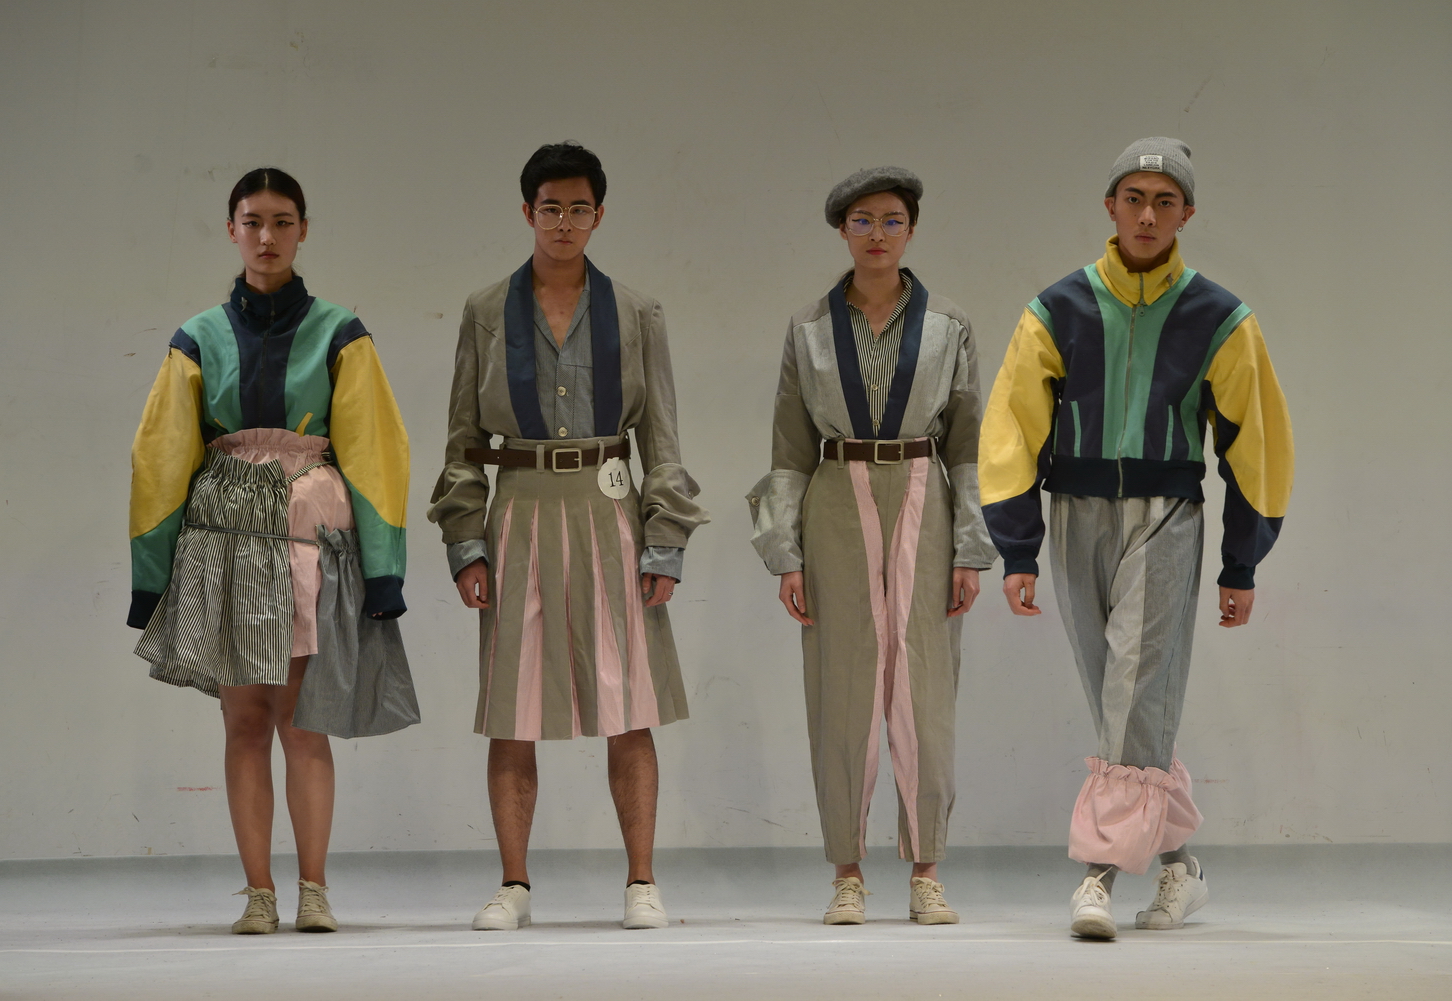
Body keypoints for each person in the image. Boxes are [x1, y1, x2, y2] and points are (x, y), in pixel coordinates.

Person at [979, 138, 1294, 939]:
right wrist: (1016, 547)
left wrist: (1241, 562)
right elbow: (1012, 426)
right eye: (1134, 198)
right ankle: (1181, 866)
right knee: (1122, 699)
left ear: (1187, 213)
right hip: (1073, 515)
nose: (1147, 214)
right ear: (1110, 207)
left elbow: (1257, 446)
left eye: (1164, 200)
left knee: (1131, 693)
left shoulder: (1220, 317)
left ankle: (1098, 873)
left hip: (1166, 515)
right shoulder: (1057, 309)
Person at [129, 167, 417, 935]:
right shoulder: (197, 337)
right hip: (224, 544)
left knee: (302, 719)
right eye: (252, 221)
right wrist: (151, 577)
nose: (266, 236)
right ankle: (259, 892)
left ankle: (313, 889)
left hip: (307, 539)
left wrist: (384, 569)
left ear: (303, 230)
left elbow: (376, 451)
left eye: (282, 221)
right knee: (245, 722)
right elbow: (161, 456)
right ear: (232, 229)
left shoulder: (340, 332)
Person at [428, 143, 708, 931]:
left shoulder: (637, 312)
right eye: (550, 207)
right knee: (512, 708)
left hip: (609, 510)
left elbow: (662, 438)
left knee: (631, 702)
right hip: (516, 510)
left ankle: (642, 881)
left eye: (578, 208)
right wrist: (465, 542)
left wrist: (664, 543)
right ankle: (513, 884)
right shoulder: (486, 310)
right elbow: (461, 437)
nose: (563, 222)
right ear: (528, 212)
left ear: (599, 215)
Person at [747, 167, 996, 925]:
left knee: (926, 688)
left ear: (911, 230)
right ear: (842, 230)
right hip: (835, 497)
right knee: (841, 685)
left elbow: (969, 442)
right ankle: (847, 873)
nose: (877, 234)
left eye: (891, 221)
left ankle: (927, 871)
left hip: (924, 493)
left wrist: (970, 546)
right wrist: (786, 554)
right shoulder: (809, 328)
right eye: (862, 221)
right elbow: (790, 447)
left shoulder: (948, 324)